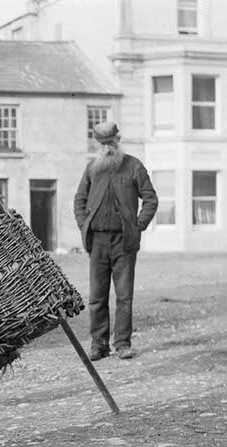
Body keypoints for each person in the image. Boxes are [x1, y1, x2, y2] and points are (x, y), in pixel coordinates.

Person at [73, 121, 158, 361]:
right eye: (103, 144)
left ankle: (122, 344)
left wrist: (138, 225)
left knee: (124, 297)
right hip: (98, 241)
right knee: (96, 297)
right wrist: (84, 225)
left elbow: (150, 199)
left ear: (118, 141)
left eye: (110, 142)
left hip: (124, 242)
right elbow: (79, 201)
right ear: (97, 145)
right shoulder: (92, 169)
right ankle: (99, 345)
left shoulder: (134, 166)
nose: (107, 147)